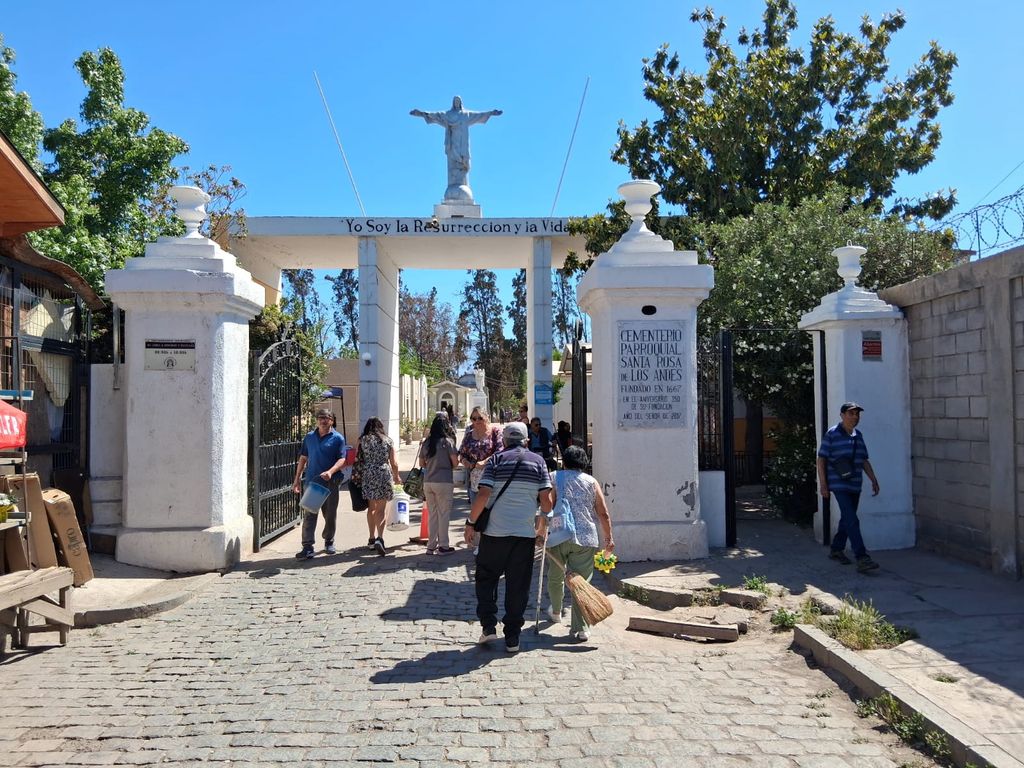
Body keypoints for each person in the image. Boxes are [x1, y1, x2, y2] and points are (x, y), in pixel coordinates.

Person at [463, 422, 552, 653]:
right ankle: (512, 637)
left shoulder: (495, 460)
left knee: (486, 579)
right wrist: (542, 527)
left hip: (494, 534)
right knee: (518, 586)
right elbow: (546, 500)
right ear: (526, 440)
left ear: (504, 440)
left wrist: (471, 523)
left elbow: (483, 494)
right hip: (523, 536)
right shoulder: (538, 462)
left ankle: (488, 626)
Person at [545, 446, 614, 641]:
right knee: (581, 583)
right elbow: (603, 513)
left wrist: (540, 531)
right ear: (584, 462)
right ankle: (581, 627)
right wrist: (608, 539)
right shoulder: (591, 482)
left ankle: (556, 611)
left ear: (565, 461)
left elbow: (547, 507)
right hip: (585, 538)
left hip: (559, 535)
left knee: (555, 576)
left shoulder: (554, 477)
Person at [816, 402, 881, 573]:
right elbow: (821, 460)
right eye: (851, 413)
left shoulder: (858, 435)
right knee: (852, 519)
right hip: (839, 484)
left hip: (855, 483)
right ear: (842, 415)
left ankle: (836, 549)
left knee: (847, 519)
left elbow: (863, 460)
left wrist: (873, 479)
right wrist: (823, 484)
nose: (855, 417)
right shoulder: (832, 434)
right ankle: (862, 557)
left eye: (857, 414)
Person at [409, 96, 502, 199]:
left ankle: (463, 187)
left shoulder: (466, 115)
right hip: (452, 144)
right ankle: (454, 186)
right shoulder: (448, 115)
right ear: (453, 103)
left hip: (463, 146)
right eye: (455, 101)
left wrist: (491, 113)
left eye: (458, 101)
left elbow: (479, 115)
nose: (457, 103)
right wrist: (422, 113)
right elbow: (436, 115)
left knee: (463, 164)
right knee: (453, 162)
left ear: (461, 103)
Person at [292, 408, 353, 559]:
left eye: (326, 418)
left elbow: (342, 459)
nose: (323, 420)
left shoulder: (338, 438)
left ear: (332, 421)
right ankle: (307, 546)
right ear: (317, 420)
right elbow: (303, 458)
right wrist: (297, 479)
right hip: (313, 482)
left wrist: (331, 472)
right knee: (309, 514)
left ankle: (329, 540)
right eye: (320, 418)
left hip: (331, 482)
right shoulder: (309, 437)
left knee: (330, 514)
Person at [355, 417, 401, 556]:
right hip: (383, 473)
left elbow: (357, 458)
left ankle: (371, 538)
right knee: (381, 509)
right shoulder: (388, 441)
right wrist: (396, 476)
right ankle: (380, 538)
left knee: (371, 508)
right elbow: (394, 463)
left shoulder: (362, 440)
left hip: (368, 473)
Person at [419, 413, 459, 555]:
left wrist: (431, 466)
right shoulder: (447, 442)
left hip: (428, 481)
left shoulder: (426, 443)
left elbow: (421, 463)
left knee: (432, 514)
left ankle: (431, 546)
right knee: (444, 513)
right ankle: (443, 546)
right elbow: (455, 462)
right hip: (444, 481)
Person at [459, 407, 503, 510]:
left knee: (491, 511)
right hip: (474, 479)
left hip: (492, 477)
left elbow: (500, 452)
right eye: (474, 418)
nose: (477, 421)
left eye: (480, 418)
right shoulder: (469, 435)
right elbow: (462, 453)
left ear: (486, 417)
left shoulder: (495, 432)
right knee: (476, 511)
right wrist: (464, 461)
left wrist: (485, 462)